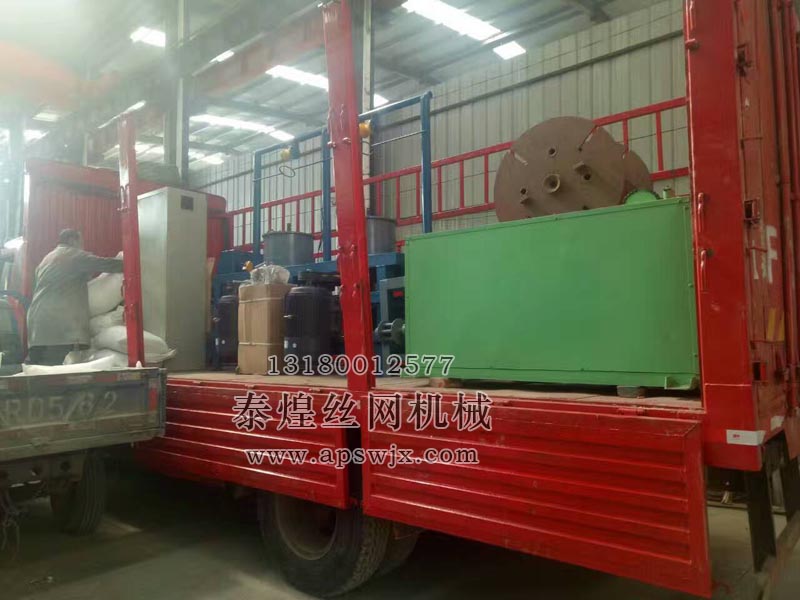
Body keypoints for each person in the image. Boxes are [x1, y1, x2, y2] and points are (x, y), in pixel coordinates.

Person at [27, 229, 123, 365]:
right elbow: (106, 264)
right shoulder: (73, 255)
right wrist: (131, 263)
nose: (82, 246)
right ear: (72, 240)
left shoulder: (47, 259)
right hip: (57, 325)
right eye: (81, 242)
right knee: (54, 371)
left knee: (40, 369)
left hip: (37, 324)